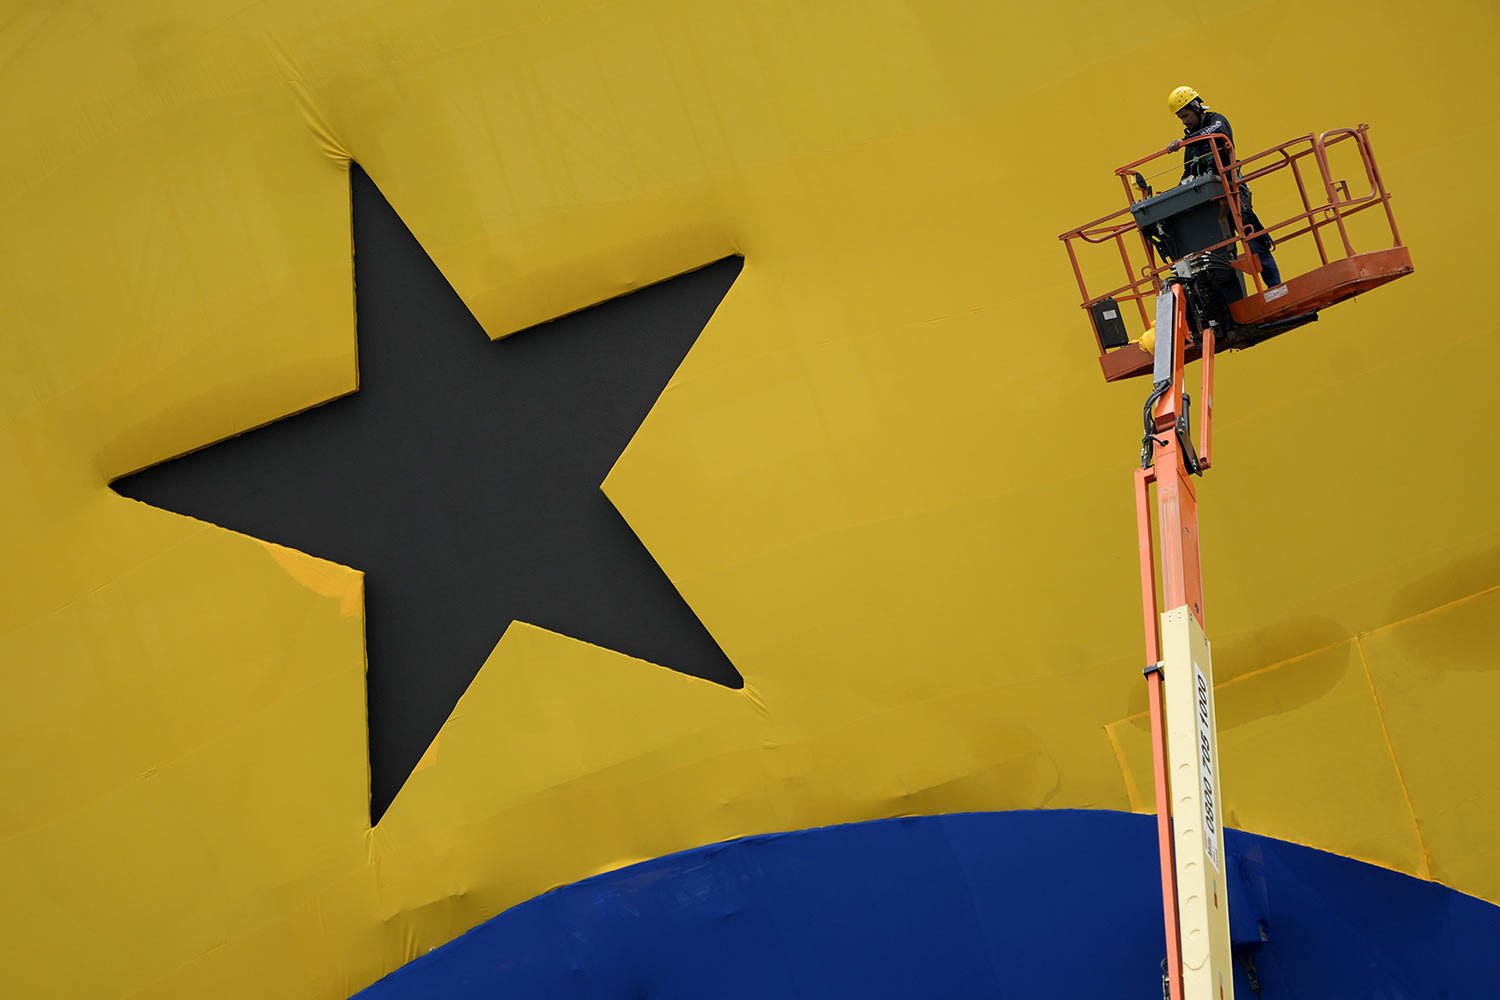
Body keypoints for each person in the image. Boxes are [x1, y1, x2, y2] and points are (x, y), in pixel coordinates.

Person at [1164, 86, 1281, 286]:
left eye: (1186, 115)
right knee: (1217, 255)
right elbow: (1188, 172)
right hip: (1211, 203)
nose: (1184, 121)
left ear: (1196, 107)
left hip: (1233, 193)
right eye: (1180, 118)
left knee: (1255, 243)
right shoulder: (1191, 143)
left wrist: (1184, 142)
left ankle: (1275, 287)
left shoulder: (1217, 121)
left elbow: (1215, 132)